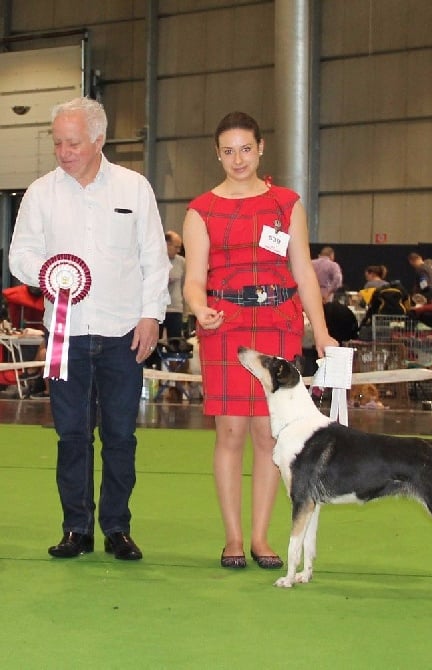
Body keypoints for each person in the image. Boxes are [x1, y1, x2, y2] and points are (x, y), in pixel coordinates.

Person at [9, 97, 170, 560]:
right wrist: (53, 273)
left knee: (121, 435)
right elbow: (19, 256)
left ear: (98, 140)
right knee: (72, 435)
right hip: (67, 336)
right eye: (58, 142)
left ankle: (117, 528)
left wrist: (151, 315)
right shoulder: (41, 193)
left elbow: (153, 258)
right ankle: (75, 528)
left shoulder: (134, 188)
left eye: (73, 142)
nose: (64, 151)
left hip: (124, 332)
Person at [183, 111, 337, 570]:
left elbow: (303, 272)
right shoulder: (200, 210)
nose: (238, 159)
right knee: (229, 432)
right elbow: (194, 279)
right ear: (217, 154)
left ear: (261, 148)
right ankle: (232, 538)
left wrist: (322, 331)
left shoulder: (287, 204)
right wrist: (198, 307)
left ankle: (261, 538)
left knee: (269, 436)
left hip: (278, 323)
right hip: (224, 326)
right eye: (228, 151)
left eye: (245, 149)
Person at [161, 230, 186, 340]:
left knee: (175, 343)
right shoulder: (155, 260)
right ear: (166, 244)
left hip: (176, 309)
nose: (178, 250)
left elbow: (184, 287)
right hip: (159, 309)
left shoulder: (182, 262)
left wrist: (185, 311)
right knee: (154, 346)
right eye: (176, 247)